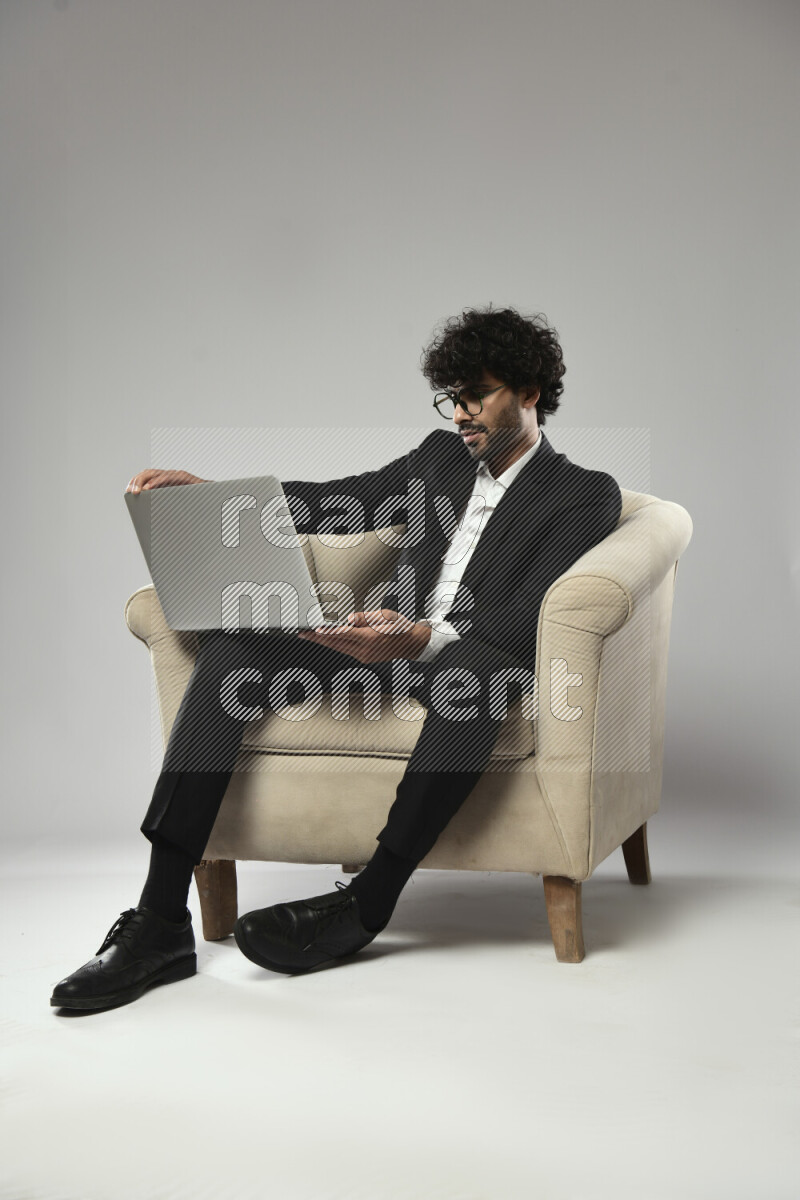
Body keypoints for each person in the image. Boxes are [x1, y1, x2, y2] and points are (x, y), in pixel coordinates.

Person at [50, 305, 622, 1012]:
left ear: (530, 393)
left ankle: (367, 902)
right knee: (231, 650)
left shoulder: (582, 493)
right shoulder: (440, 458)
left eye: (476, 395)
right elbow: (341, 501)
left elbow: (530, 612)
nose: (460, 414)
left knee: (470, 675)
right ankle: (160, 919)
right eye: (452, 398)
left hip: (466, 658)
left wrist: (416, 637)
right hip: (374, 644)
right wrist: (217, 499)